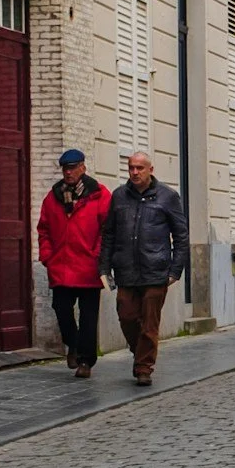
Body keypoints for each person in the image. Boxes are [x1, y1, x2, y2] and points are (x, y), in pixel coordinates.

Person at [101, 152, 187, 385]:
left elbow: (180, 235)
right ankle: (141, 352)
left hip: (155, 270)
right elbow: (109, 233)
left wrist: (174, 270)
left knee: (150, 323)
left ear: (151, 169)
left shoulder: (168, 196)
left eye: (140, 168)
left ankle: (144, 368)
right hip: (126, 269)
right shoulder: (119, 196)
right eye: (131, 168)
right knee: (126, 316)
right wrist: (104, 266)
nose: (135, 172)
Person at [38, 149, 112, 378]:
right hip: (61, 265)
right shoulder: (53, 197)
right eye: (65, 169)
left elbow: (107, 229)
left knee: (89, 317)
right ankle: (74, 344)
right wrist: (47, 256)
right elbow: (44, 229)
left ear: (83, 168)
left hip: (89, 266)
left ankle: (86, 362)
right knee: (61, 310)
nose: (68, 172)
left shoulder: (100, 194)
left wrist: (98, 255)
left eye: (72, 168)